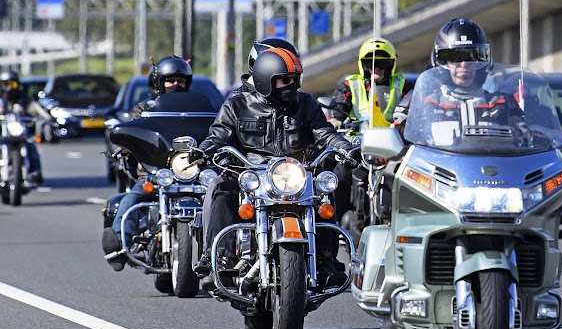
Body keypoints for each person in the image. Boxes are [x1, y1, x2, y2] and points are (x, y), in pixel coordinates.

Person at [193, 46, 359, 291]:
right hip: (251, 176)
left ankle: (325, 260)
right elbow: (218, 135)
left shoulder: (305, 104)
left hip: (293, 175)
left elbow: (325, 133)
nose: (291, 85)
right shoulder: (237, 105)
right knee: (219, 188)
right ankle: (218, 257)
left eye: (295, 79)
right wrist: (205, 150)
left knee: (323, 187)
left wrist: (346, 148)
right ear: (264, 80)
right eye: (284, 80)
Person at [101, 56, 194, 271]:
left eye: (180, 80)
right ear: (160, 82)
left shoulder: (197, 110)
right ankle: (118, 244)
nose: (175, 85)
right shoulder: (145, 109)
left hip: (190, 173)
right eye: (170, 80)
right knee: (133, 198)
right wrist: (125, 144)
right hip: (155, 172)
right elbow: (135, 131)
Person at [400, 18, 529, 145]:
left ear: (483, 61)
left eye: (471, 57)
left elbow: (528, 141)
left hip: (491, 165)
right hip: (435, 166)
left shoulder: (501, 103)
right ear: (441, 61)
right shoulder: (421, 101)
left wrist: (542, 141)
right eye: (454, 57)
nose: (463, 64)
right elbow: (396, 142)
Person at [328, 37, 413, 224]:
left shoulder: (404, 86)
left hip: (392, 148)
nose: (376, 66)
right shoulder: (351, 85)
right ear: (362, 64)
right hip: (357, 146)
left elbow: (415, 109)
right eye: (370, 62)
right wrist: (335, 121)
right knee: (339, 174)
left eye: (382, 62)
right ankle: (333, 223)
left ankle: (406, 220)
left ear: (391, 64)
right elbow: (338, 108)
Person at [0, 69, 51, 185]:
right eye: (6, 84)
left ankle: (35, 172)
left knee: (31, 145)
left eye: (13, 84)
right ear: (1, 85)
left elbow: (36, 108)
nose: (10, 88)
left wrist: (46, 117)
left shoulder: (24, 98)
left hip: (20, 134)